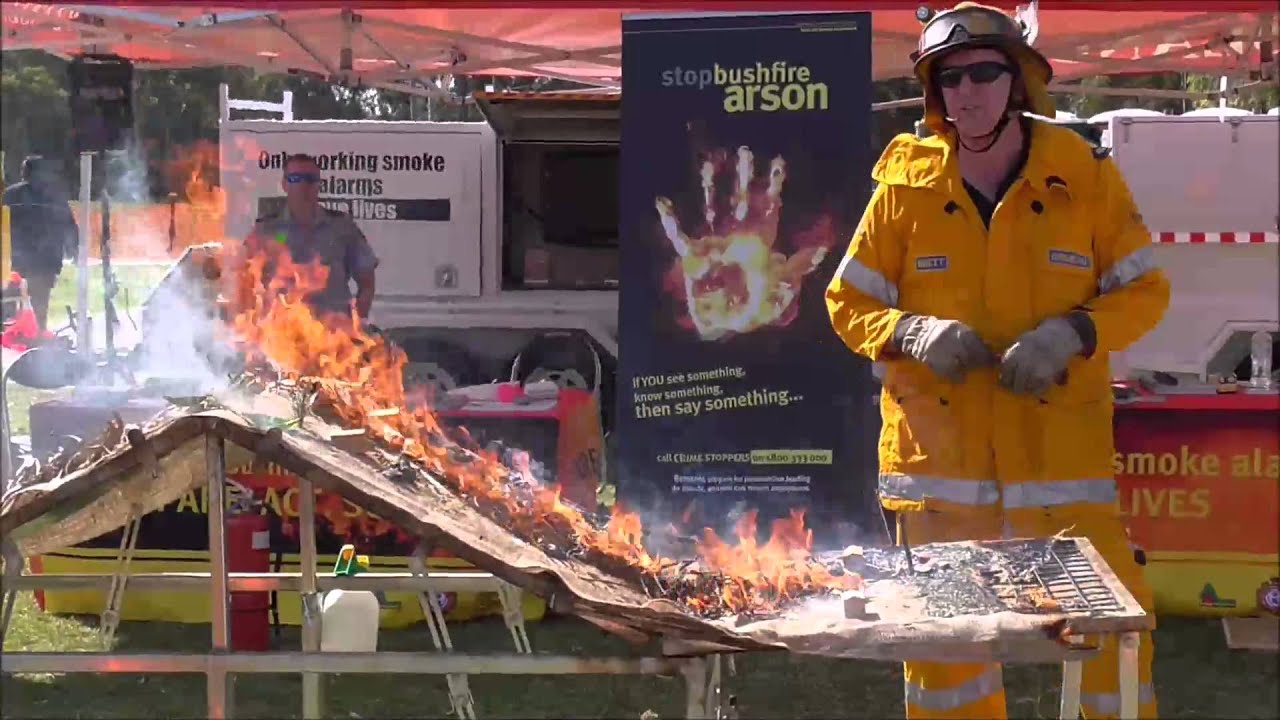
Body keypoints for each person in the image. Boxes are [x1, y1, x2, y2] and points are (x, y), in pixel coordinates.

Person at [825, 3, 1169, 719]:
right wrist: (911, 331)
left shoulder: (1084, 175)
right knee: (951, 663)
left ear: (1018, 83)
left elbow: (1146, 289)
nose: (968, 90)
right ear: (934, 93)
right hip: (943, 489)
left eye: (985, 72)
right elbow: (845, 302)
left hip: (1061, 478)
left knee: (1111, 654)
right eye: (950, 78)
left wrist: (1072, 334)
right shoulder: (902, 190)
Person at [245, 153, 378, 322]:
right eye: (295, 178)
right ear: (284, 185)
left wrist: (358, 321)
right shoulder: (267, 230)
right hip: (282, 336)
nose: (303, 185)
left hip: (333, 338)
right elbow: (244, 275)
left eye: (310, 179)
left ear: (318, 185)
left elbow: (367, 281)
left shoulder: (342, 228)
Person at [2, 155, 79, 330]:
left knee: (11, 298)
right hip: (46, 258)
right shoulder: (55, 196)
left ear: (25, 173)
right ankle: (39, 331)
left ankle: (12, 332)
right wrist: (73, 250)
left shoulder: (11, 194)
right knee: (40, 300)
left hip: (17, 258)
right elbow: (68, 224)